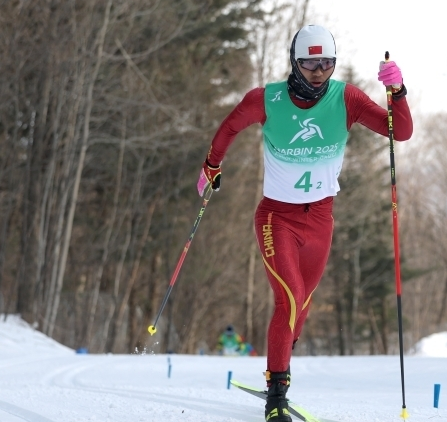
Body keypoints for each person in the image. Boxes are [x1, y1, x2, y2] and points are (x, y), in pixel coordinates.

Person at [196, 25, 412, 422]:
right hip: (277, 217)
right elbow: (228, 127)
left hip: (321, 220)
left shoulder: (346, 98)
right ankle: (276, 394)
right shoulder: (267, 99)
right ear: (294, 62)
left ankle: (281, 360)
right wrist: (211, 166)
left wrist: (397, 92)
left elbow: (400, 131)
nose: (317, 71)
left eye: (326, 63)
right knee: (290, 297)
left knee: (303, 307)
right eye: (309, 63)